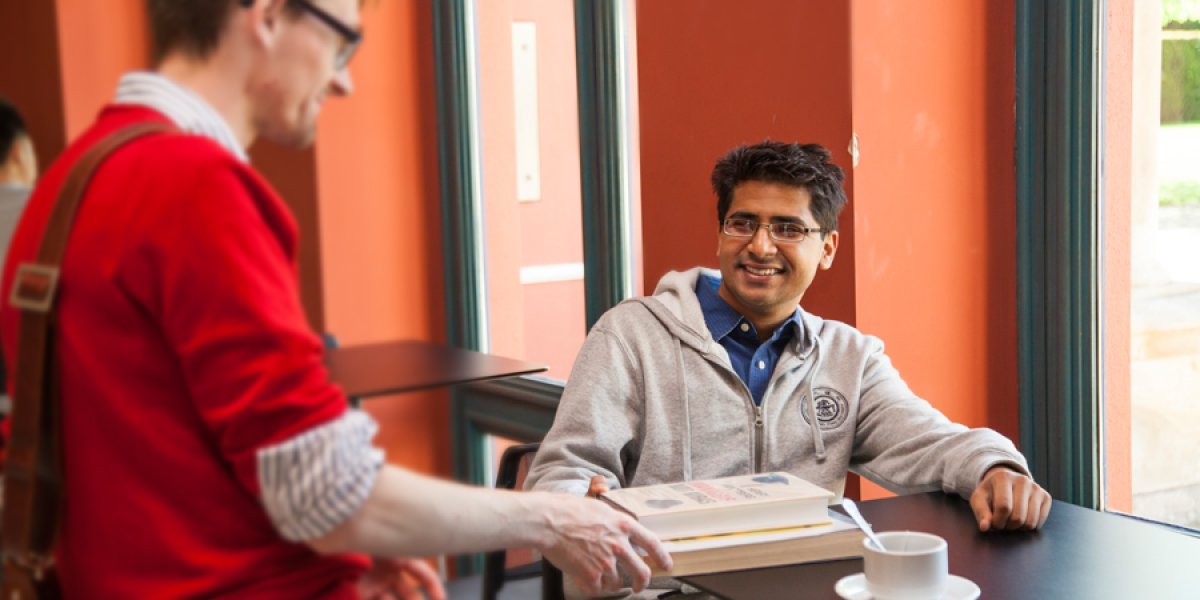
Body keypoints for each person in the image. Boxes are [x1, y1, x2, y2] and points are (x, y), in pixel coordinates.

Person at [0, 1, 669, 598]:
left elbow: (170, 464)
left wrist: (349, 548)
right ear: (265, 17)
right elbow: (329, 492)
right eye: (342, 41)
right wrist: (552, 517)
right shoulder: (199, 189)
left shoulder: (66, 185)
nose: (344, 79)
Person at [525, 141, 1051, 598]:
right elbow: (561, 474)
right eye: (743, 223)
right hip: (662, 592)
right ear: (720, 233)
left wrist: (994, 468)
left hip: (806, 587)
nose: (760, 246)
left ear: (827, 249)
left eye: (787, 228)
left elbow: (930, 441)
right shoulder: (630, 335)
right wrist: (581, 511)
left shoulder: (849, 356)